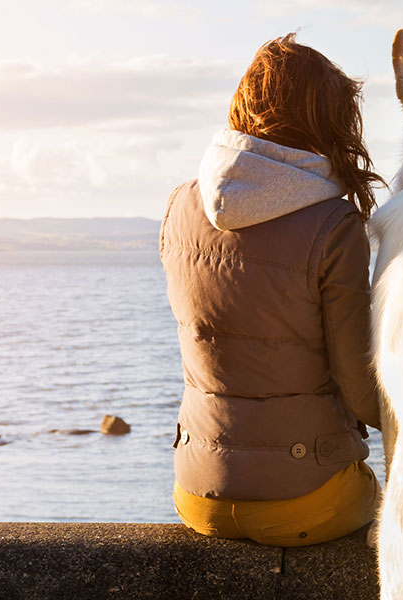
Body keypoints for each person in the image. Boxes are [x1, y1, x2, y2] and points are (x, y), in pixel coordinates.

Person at [159, 33, 385, 546]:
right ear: (326, 120)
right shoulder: (334, 224)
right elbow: (359, 385)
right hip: (307, 498)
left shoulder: (179, 207)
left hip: (197, 493)